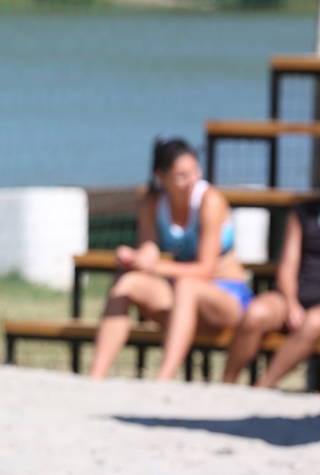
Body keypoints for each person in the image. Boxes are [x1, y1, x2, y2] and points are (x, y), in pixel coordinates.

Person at [89, 138, 253, 381]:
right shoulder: (152, 202)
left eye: (195, 172)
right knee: (126, 282)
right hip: (183, 299)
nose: (192, 180)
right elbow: (149, 250)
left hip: (227, 297)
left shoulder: (210, 200)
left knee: (187, 286)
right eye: (182, 176)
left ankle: (163, 380)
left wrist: (157, 266)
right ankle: (96, 375)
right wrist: (135, 258)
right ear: (161, 177)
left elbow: (206, 268)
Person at [222, 200, 320, 388]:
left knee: (313, 322)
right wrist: (291, 304)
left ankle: (261, 387)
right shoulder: (303, 212)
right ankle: (225, 385)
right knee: (256, 312)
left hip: (315, 313)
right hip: (295, 295)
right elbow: (287, 267)